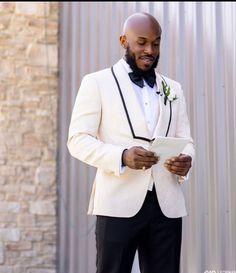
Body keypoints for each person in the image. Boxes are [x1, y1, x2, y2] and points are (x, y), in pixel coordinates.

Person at [67, 12, 195, 273]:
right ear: (124, 40)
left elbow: (186, 140)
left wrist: (185, 162)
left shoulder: (174, 88)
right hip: (117, 204)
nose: (150, 50)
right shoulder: (96, 83)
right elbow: (77, 140)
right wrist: (122, 156)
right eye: (142, 42)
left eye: (156, 43)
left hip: (166, 207)